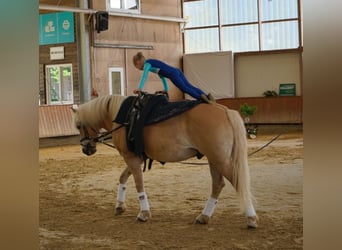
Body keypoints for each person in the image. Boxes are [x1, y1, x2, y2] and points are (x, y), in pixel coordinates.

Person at [132, 52, 215, 103]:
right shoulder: (152, 63)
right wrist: (166, 89)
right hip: (177, 71)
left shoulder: (147, 64)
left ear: (138, 62)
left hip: (173, 74)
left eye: (136, 66)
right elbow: (162, 76)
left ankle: (202, 99)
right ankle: (206, 96)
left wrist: (139, 88)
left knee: (185, 89)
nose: (138, 69)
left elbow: (144, 76)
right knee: (189, 86)